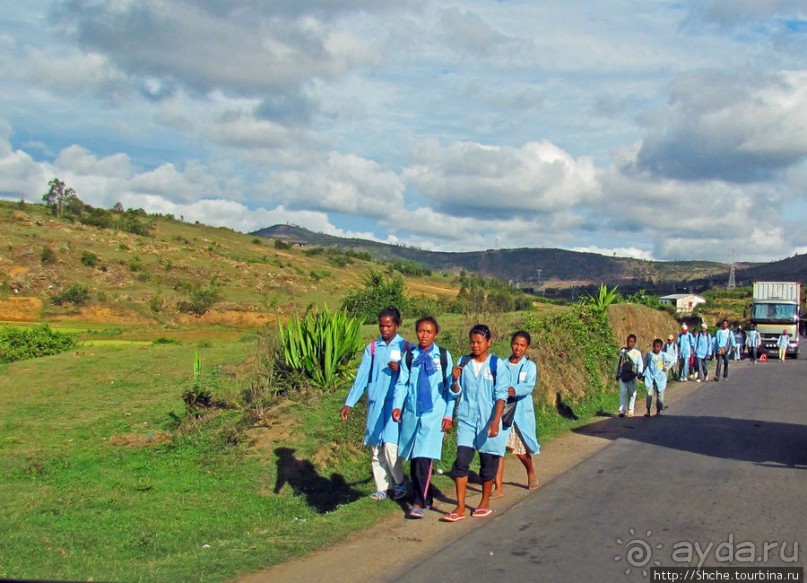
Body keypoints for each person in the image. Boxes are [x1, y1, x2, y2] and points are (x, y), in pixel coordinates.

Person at [442, 324, 510, 523]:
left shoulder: (498, 365)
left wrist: (496, 421)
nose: (475, 345)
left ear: (489, 342)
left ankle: (484, 501)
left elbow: (501, 395)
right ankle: (460, 506)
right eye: (472, 341)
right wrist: (454, 380)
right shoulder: (463, 363)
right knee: (461, 463)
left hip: (488, 421)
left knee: (488, 464)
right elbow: (455, 392)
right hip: (467, 420)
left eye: (479, 342)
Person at [392, 316, 458, 519]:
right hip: (413, 414)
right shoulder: (410, 357)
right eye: (421, 331)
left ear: (435, 334)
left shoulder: (444, 357)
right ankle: (426, 497)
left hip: (433, 415)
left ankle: (418, 503)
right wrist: (397, 406)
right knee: (413, 458)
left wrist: (448, 415)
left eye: (429, 332)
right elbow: (402, 384)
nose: (424, 335)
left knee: (423, 458)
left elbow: (450, 389)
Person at [341, 306, 409, 501]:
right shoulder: (372, 348)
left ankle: (400, 482)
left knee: (390, 446)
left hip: (395, 405)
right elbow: (362, 377)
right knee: (375, 447)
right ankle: (382, 487)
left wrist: (400, 368)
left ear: (397, 324)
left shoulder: (406, 348)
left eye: (388, 326)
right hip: (375, 404)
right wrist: (350, 403)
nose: (384, 329)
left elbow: (412, 377)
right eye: (382, 326)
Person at [493, 331, 540, 497]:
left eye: (522, 345)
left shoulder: (529, 366)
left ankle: (530, 471)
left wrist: (515, 390)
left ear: (527, 347)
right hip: (502, 411)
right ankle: (498, 487)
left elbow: (529, 386)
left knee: (520, 451)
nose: (518, 348)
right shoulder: (502, 364)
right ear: (511, 344)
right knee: (498, 450)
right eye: (515, 344)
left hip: (519, 412)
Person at [643, 338, 676, 417]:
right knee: (649, 393)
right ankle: (648, 410)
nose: (656, 348)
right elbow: (644, 362)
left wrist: (667, 367)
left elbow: (673, 359)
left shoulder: (663, 355)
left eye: (658, 347)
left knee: (660, 393)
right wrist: (643, 371)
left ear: (661, 347)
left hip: (660, 376)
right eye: (654, 346)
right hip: (650, 375)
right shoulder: (649, 354)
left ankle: (658, 410)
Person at [615, 334, 643, 417]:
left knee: (632, 394)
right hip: (623, 375)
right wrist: (617, 373)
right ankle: (622, 410)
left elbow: (640, 364)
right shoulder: (622, 351)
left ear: (634, 343)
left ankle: (631, 410)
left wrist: (639, 372)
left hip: (632, 376)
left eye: (631, 341)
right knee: (622, 392)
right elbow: (619, 363)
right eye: (628, 341)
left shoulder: (637, 353)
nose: (629, 343)